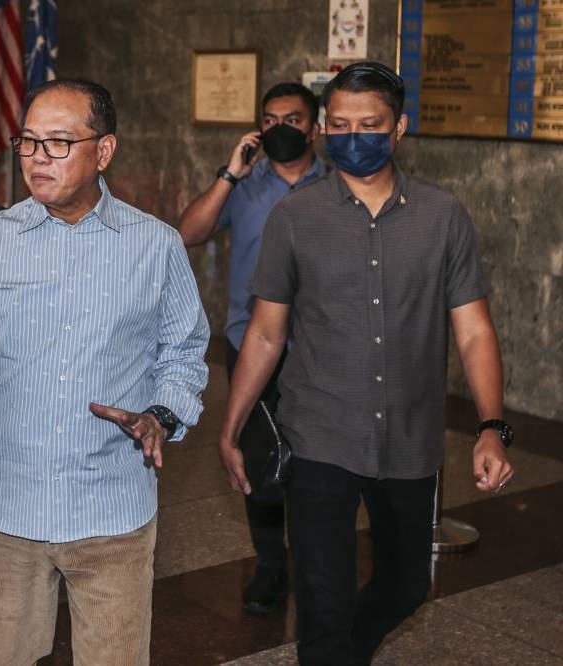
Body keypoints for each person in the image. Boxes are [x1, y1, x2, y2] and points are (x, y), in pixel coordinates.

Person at [0, 79, 209, 666]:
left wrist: (161, 414)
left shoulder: (156, 246)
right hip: (2, 513)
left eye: (60, 143)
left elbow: (184, 352)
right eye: (29, 142)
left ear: (105, 151)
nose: (38, 158)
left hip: (111, 510)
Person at [217, 61, 514, 665]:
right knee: (323, 607)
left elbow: (475, 330)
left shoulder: (442, 215)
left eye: (371, 124)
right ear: (324, 128)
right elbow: (267, 333)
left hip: (410, 437)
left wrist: (491, 427)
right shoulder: (294, 218)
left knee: (406, 584)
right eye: (341, 124)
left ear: (399, 127)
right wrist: (231, 425)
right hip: (319, 433)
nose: (355, 137)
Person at [179, 82, 324, 614]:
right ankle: (270, 568)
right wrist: (230, 173)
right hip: (251, 340)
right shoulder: (245, 184)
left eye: (292, 118)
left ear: (314, 126)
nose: (280, 128)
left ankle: (315, 565)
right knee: (259, 464)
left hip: (318, 347)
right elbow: (189, 232)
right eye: (270, 119)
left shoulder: (336, 184)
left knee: (316, 464)